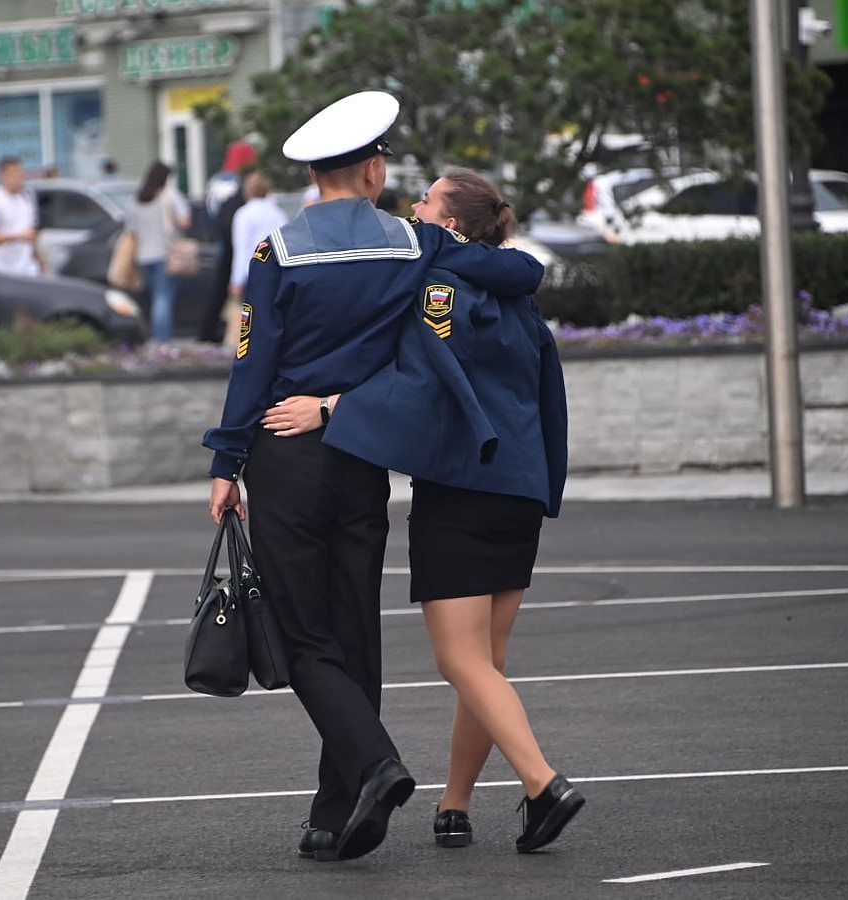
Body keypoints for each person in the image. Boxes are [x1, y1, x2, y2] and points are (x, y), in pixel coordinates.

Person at [202, 91, 544, 863]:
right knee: (355, 626)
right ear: (371, 168)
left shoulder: (277, 251)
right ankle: (337, 813)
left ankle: (376, 763)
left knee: (300, 631)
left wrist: (227, 462)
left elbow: (252, 367)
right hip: (360, 449)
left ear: (319, 173)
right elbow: (514, 271)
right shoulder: (411, 242)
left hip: (286, 453)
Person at [262, 169, 584, 854]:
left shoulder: (439, 289)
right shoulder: (515, 287)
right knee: (488, 661)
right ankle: (455, 803)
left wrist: (328, 408)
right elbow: (546, 385)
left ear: (452, 225)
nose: (412, 208)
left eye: (427, 203)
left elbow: (421, 382)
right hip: (521, 489)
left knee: (461, 662)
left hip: (464, 488)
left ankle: (543, 784)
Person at [196, 141, 260, 343]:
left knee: (219, 287)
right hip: (235, 236)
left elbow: (207, 208)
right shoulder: (240, 182)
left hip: (220, 236)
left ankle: (208, 331)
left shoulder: (216, 180)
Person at [125, 160, 191, 343]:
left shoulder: (136, 198)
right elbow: (185, 221)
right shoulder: (169, 196)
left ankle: (156, 336)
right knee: (164, 299)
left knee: (156, 298)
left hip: (143, 255)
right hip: (165, 254)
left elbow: (131, 229)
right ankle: (162, 340)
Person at [225, 171, 289, 348]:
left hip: (251, 272)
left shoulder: (244, 214)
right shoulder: (278, 213)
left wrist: (235, 280)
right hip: (277, 271)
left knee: (250, 319)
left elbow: (241, 249)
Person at [0, 156, 42, 277]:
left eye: (20, 174)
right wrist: (18, 236)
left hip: (27, 269)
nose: (18, 179)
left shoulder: (25, 199)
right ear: (1, 176)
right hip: (2, 270)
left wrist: (41, 263)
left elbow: (30, 236)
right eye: (13, 175)